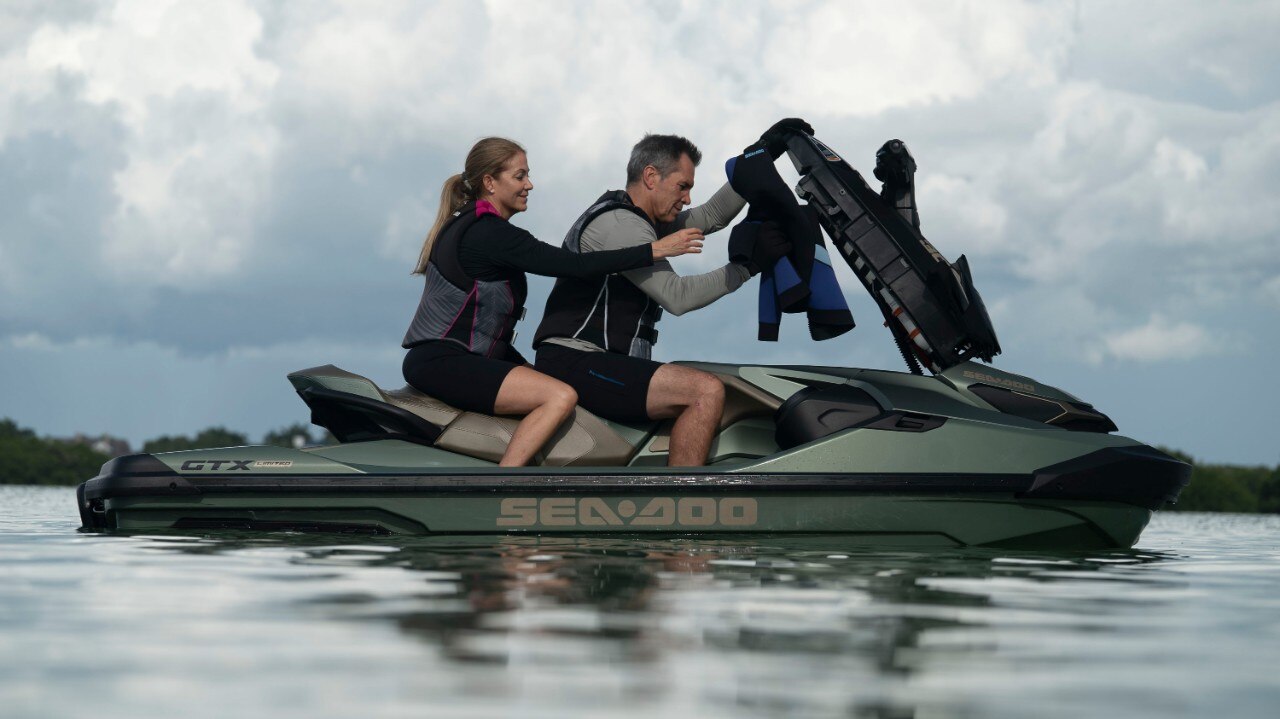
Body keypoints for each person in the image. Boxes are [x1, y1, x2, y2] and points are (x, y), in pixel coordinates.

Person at [402, 137, 701, 467]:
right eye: (519, 176)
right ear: (490, 182)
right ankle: (504, 490)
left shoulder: (469, 224)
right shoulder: (488, 233)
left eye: (527, 175)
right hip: (445, 361)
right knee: (559, 395)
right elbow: (572, 264)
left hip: (448, 358)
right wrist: (653, 250)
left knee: (551, 387)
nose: (529, 184)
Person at [532, 120, 811, 466]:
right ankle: (683, 505)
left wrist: (760, 154)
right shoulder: (620, 225)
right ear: (651, 177)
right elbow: (677, 296)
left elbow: (711, 215)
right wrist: (747, 268)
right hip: (575, 362)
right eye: (682, 187)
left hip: (599, 361)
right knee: (704, 390)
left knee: (709, 380)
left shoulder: (645, 221)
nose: (687, 198)